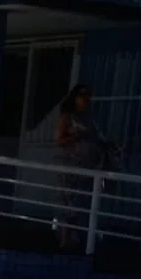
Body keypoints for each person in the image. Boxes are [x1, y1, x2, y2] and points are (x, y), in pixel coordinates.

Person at [56, 83, 114, 249]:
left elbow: (96, 138)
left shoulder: (90, 119)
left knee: (83, 204)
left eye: (88, 96)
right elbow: (59, 141)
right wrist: (76, 136)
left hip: (87, 168)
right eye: (83, 95)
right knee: (69, 204)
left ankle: (77, 238)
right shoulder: (67, 117)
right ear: (75, 98)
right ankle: (64, 239)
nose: (86, 99)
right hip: (71, 168)